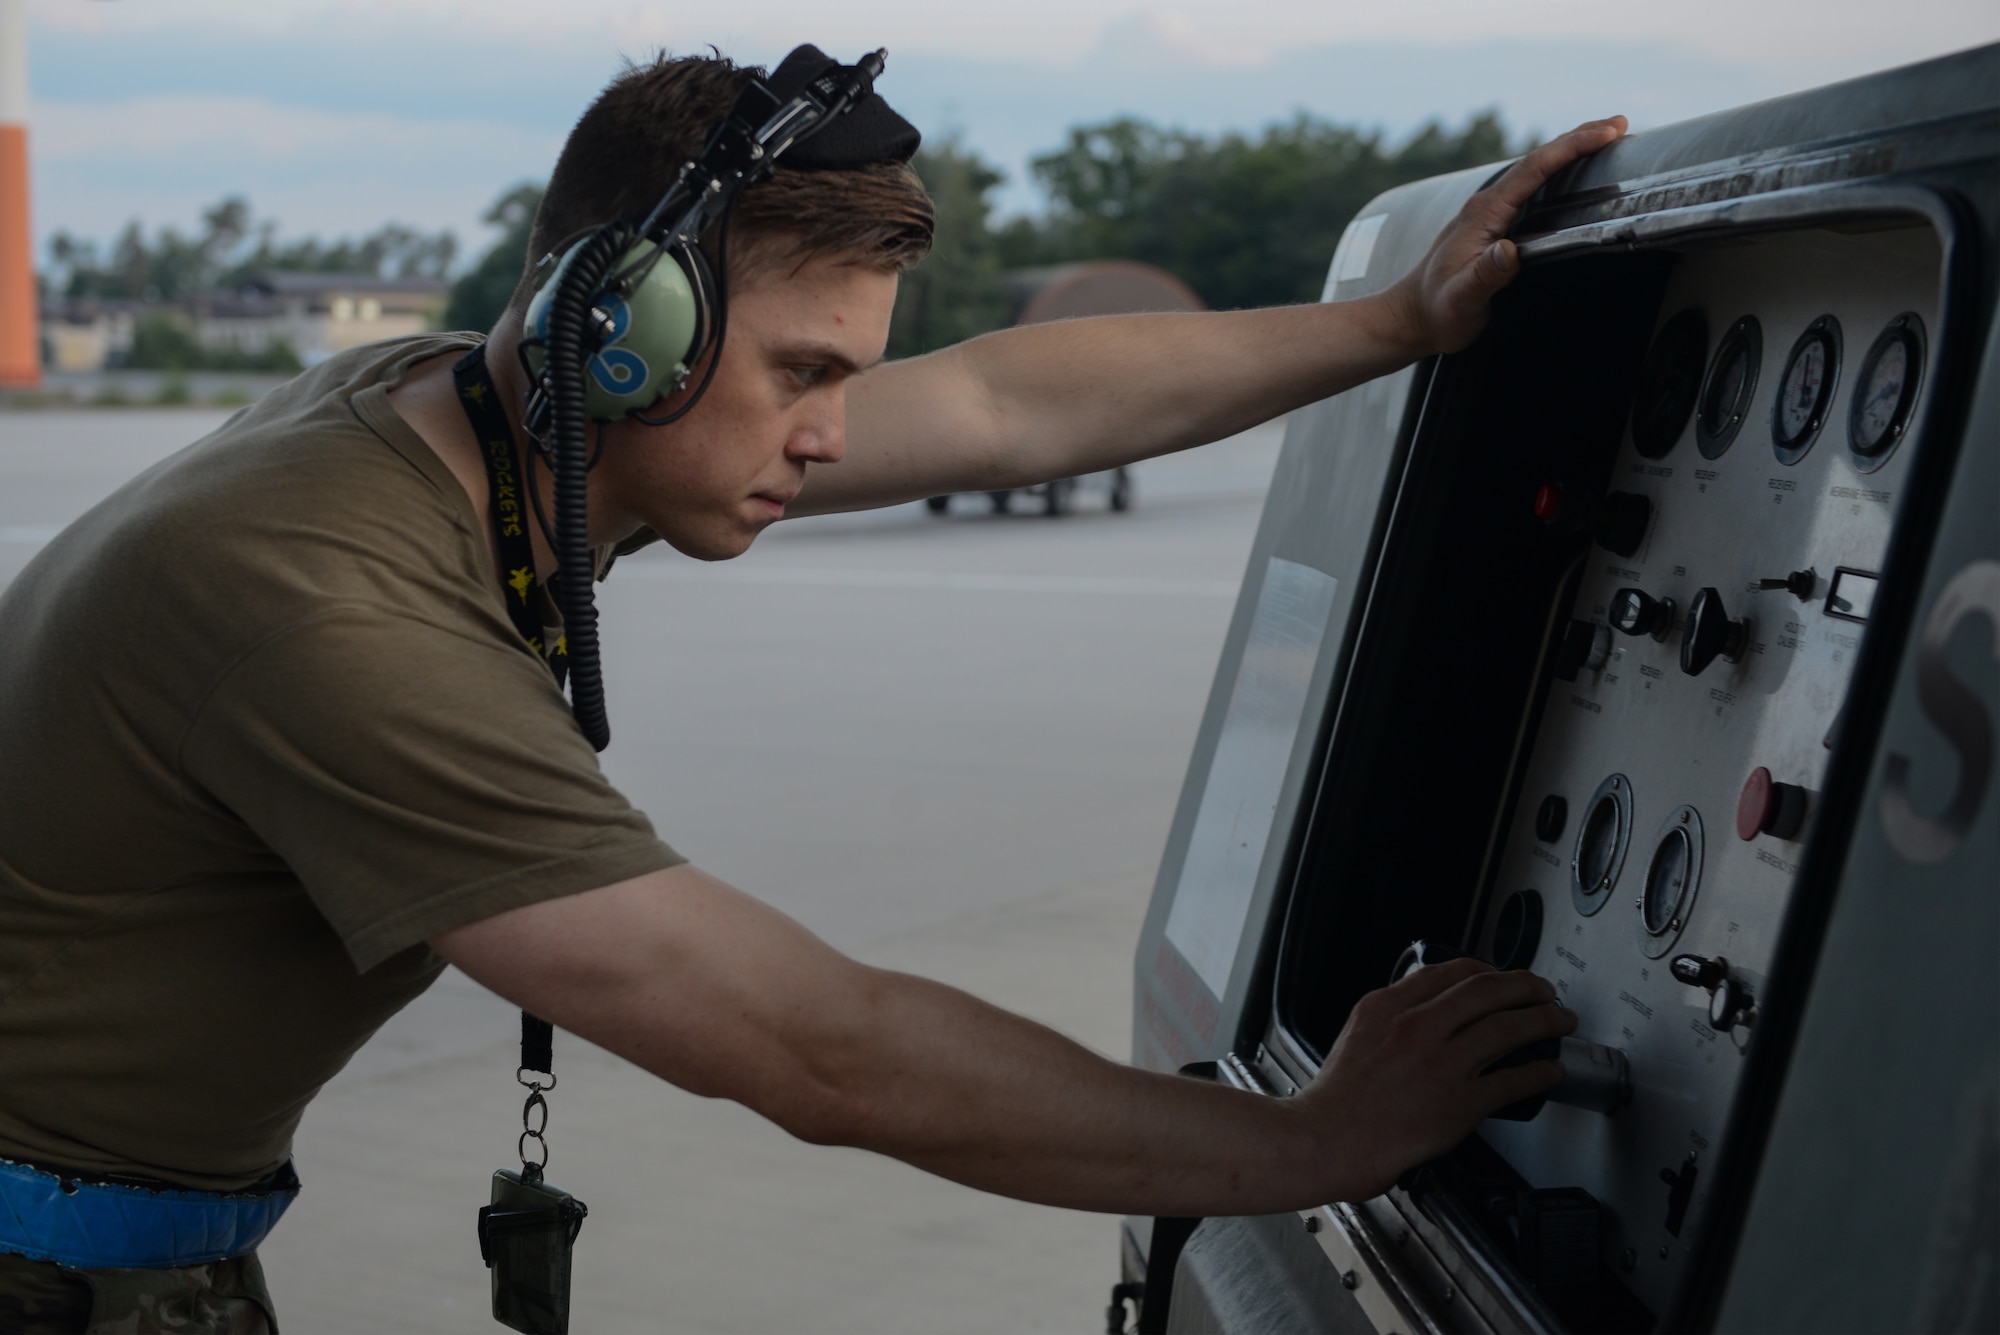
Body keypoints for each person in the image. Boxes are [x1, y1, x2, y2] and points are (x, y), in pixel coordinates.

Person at [0, 44, 1623, 1334]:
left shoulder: (460, 410)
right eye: (803, 374)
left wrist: (1395, 321)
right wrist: (1313, 1147)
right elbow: (812, 1046)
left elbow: (995, 405)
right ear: (615, 334)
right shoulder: (323, 606)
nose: (836, 433)